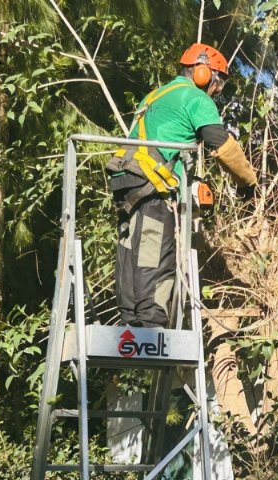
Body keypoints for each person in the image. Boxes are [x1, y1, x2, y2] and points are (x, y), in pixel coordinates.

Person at [108, 43, 256, 328]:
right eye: (218, 82)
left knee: (130, 245)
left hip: (125, 175)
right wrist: (248, 182)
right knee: (155, 247)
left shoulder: (156, 95)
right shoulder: (195, 97)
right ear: (202, 73)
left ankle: (130, 317)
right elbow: (220, 143)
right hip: (152, 179)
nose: (217, 90)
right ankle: (150, 322)